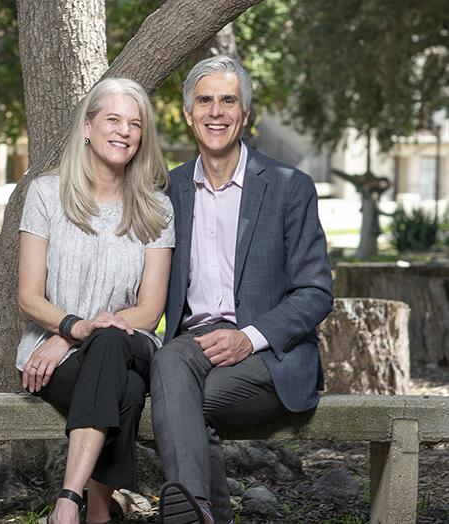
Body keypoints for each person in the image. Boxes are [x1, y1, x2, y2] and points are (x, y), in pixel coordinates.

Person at [150, 56, 333, 524]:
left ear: (245, 112)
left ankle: (190, 512)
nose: (216, 111)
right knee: (172, 363)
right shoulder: (168, 191)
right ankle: (198, 513)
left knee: (179, 408)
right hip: (191, 348)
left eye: (228, 100)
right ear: (188, 113)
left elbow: (315, 292)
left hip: (270, 358)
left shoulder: (290, 187)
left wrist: (247, 337)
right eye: (204, 100)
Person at [16, 77, 174, 524]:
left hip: (130, 343)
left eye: (135, 124)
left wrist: (76, 334)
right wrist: (74, 329)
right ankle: (99, 510)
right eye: (113, 120)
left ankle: (67, 503)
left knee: (108, 342)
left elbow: (148, 310)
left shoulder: (157, 209)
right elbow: (28, 296)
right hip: (55, 358)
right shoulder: (47, 194)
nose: (124, 131)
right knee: (122, 388)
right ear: (88, 127)